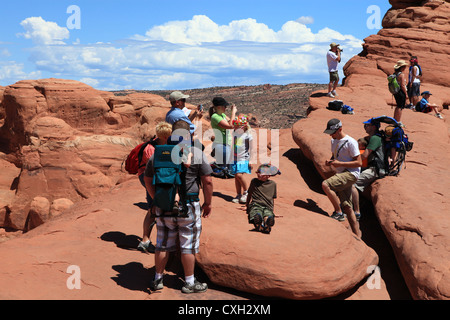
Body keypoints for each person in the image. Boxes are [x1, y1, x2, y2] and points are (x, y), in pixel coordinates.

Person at [144, 120, 213, 294]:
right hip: (189, 205)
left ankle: (157, 279)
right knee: (187, 245)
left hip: (164, 205)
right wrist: (208, 202)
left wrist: (156, 199)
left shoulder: (159, 153)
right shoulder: (196, 153)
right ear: (188, 135)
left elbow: (147, 178)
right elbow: (208, 181)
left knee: (162, 243)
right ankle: (189, 282)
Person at [322, 119, 362, 237]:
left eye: (333, 132)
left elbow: (359, 163)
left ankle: (338, 213)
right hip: (341, 174)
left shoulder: (351, 142)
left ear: (340, 129)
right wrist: (331, 161)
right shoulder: (333, 141)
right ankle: (357, 236)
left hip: (350, 174)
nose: (331, 134)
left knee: (326, 184)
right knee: (348, 207)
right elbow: (336, 156)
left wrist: (340, 164)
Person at [137, 122, 172, 253]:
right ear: (165, 136)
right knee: (154, 206)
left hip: (154, 177)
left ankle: (146, 240)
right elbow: (154, 169)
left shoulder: (162, 144)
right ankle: (146, 239)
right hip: (148, 178)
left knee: (154, 206)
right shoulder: (151, 149)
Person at [351, 118, 384, 221]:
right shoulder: (372, 138)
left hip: (375, 169)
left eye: (367, 125)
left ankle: (356, 212)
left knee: (352, 184)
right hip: (371, 167)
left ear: (373, 127)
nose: (365, 127)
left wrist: (351, 163)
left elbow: (365, 155)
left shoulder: (375, 138)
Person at [245, 164, 280, 234]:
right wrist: (247, 205)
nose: (259, 175)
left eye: (262, 174)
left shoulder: (273, 184)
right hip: (256, 204)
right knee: (257, 213)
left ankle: (267, 224)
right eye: (258, 173)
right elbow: (249, 194)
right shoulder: (254, 181)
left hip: (268, 206)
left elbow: (272, 199)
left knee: (267, 214)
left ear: (268, 176)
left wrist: (273, 211)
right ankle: (260, 225)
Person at [231, 115, 254, 204]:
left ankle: (246, 192)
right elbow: (234, 145)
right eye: (235, 126)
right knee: (236, 177)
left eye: (238, 126)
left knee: (239, 175)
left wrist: (251, 160)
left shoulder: (248, 136)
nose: (236, 128)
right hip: (235, 159)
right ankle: (238, 195)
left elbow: (252, 149)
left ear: (243, 126)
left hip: (243, 159)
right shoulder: (235, 134)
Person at [209, 97, 237, 167]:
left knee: (226, 167)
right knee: (224, 168)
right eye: (224, 106)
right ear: (219, 107)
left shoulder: (222, 115)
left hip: (225, 144)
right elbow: (230, 126)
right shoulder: (215, 117)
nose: (226, 108)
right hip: (221, 145)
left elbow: (232, 122)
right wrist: (233, 113)